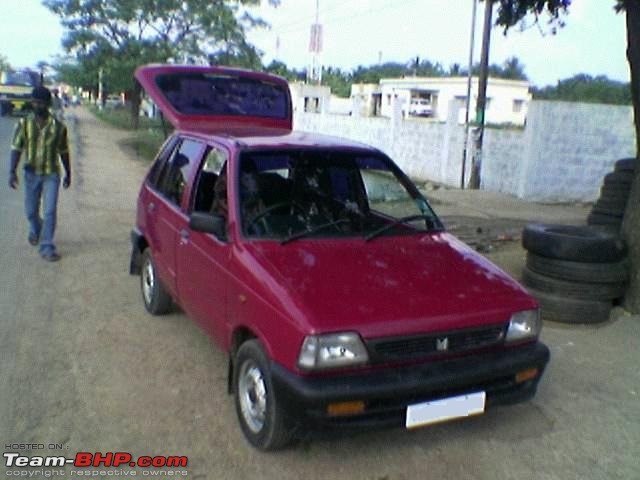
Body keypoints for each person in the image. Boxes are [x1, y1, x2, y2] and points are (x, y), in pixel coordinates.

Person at [8, 86, 71, 262]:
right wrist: (12, 172)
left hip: (51, 174)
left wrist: (68, 173)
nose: (38, 106)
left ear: (48, 104)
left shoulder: (58, 127)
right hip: (31, 174)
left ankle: (47, 246)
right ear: (32, 103)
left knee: (50, 210)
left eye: (42, 103)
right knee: (30, 211)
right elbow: (16, 148)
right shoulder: (24, 124)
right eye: (35, 102)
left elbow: (64, 151)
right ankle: (36, 228)